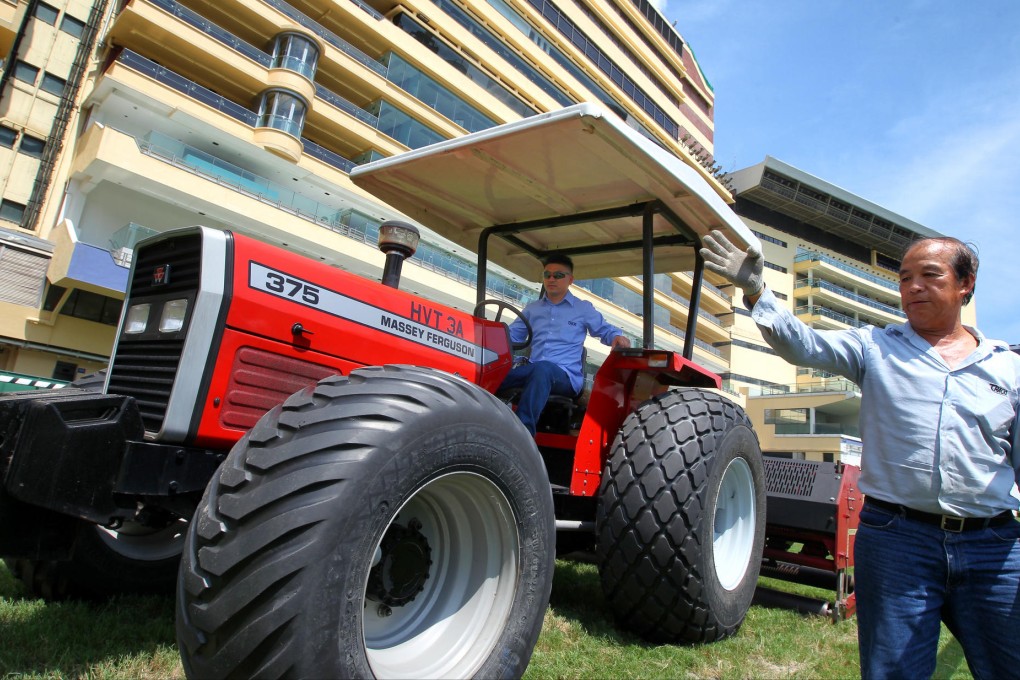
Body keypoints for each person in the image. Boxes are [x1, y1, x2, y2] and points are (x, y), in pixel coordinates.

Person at [700, 229, 1020, 679]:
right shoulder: (875, 346)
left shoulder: (1008, 366)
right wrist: (757, 291)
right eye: (905, 278)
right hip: (899, 541)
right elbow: (803, 344)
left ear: (965, 284)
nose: (913, 287)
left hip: (995, 548)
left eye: (929, 275)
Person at [500, 254, 630, 435]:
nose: (551, 279)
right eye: (547, 275)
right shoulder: (532, 309)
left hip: (566, 377)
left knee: (543, 369)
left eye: (558, 275)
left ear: (570, 280)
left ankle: (523, 435)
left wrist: (616, 336)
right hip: (534, 370)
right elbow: (510, 336)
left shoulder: (582, 308)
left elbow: (605, 330)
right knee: (490, 373)